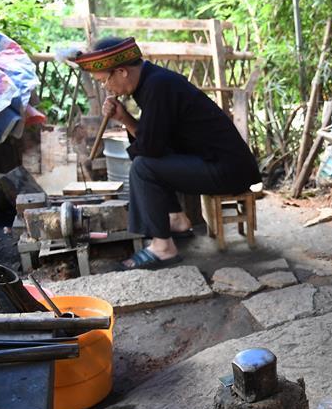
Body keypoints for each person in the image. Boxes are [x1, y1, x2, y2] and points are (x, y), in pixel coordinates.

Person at [70, 37, 261, 269]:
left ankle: (163, 247)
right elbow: (155, 142)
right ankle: (177, 220)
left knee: (143, 167)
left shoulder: (158, 86)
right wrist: (124, 118)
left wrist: (125, 119)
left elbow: (149, 149)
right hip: (216, 163)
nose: (105, 88)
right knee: (148, 161)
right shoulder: (152, 83)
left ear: (121, 71)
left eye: (104, 81)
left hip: (228, 169)